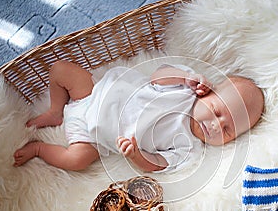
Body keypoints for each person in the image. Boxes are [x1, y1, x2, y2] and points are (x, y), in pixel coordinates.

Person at [13, 60, 264, 172]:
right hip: (92, 93)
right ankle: (55, 111)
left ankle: (39, 149)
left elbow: (157, 164)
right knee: (60, 70)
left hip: (94, 137)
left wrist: (136, 155)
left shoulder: (190, 149)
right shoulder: (185, 88)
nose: (217, 125)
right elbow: (157, 77)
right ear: (207, 93)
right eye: (219, 112)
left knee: (76, 160)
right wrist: (186, 77)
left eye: (228, 130)